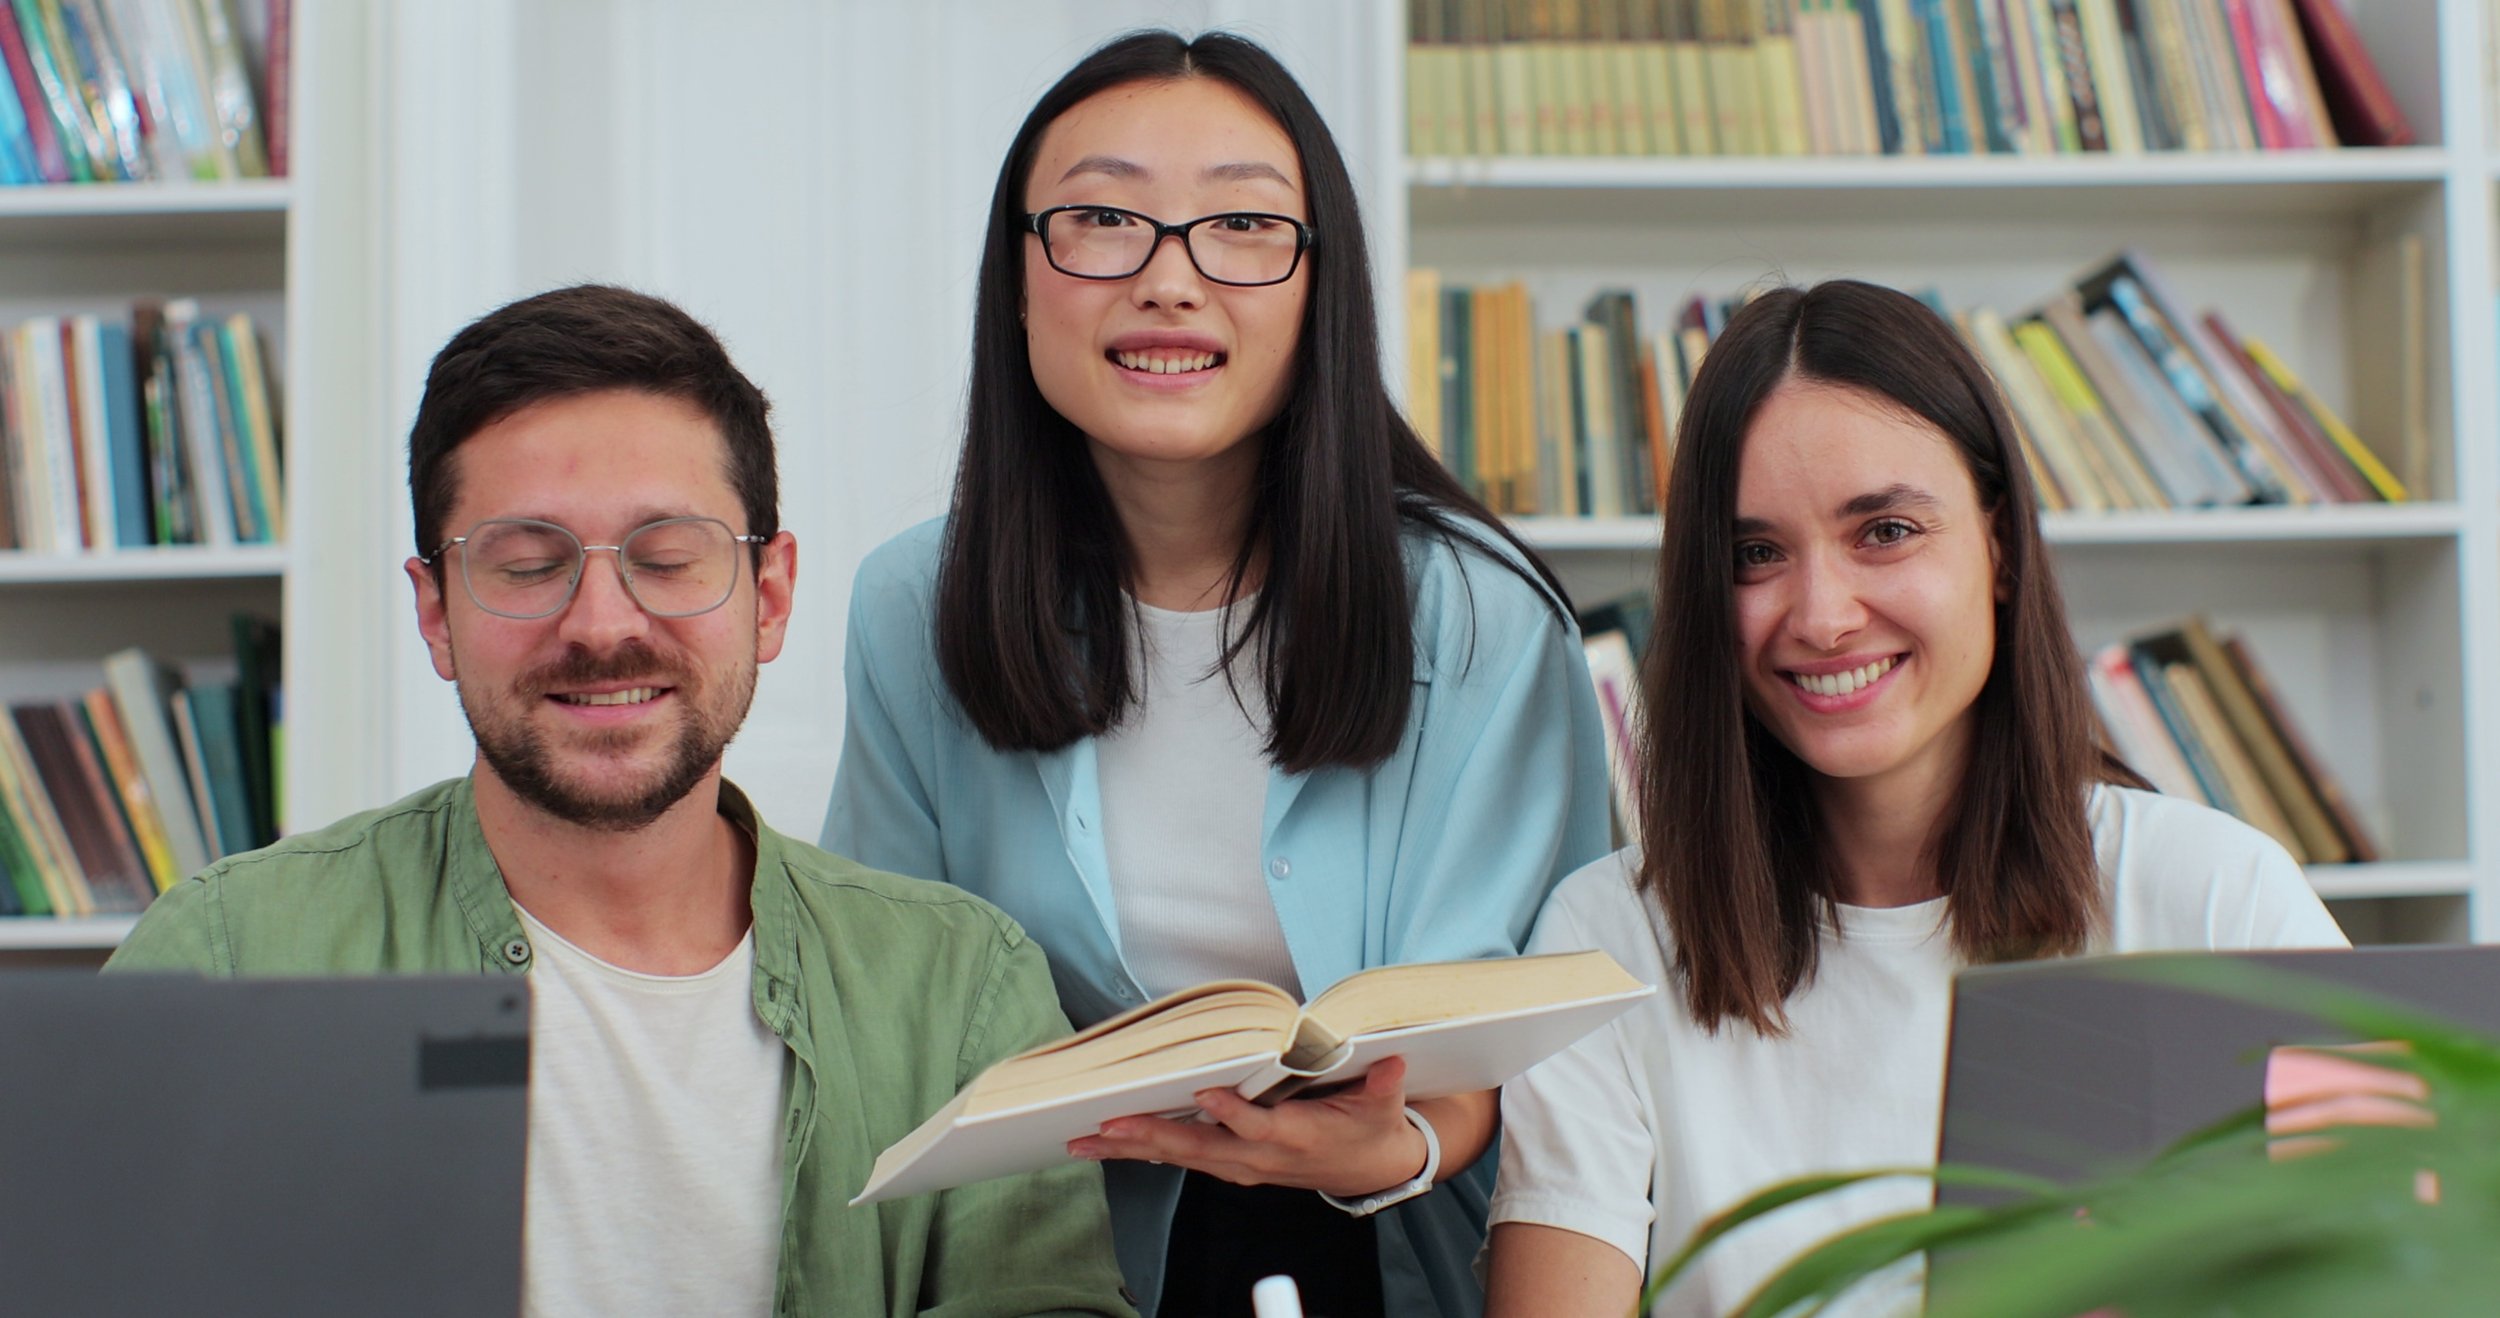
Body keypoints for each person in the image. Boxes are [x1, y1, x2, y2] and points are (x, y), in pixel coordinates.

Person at [105, 284, 1134, 1318]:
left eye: (667, 557)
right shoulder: (229, 958)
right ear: (435, 612)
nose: (601, 625)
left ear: (768, 596)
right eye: (526, 564)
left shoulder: (962, 992)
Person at [823, 29, 1612, 1318]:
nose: (1170, 281)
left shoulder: (1478, 615)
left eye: (1242, 224)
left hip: (1393, 1248)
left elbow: (1545, 1017)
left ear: (1321, 285)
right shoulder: (915, 604)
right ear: (1017, 281)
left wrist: (1400, 1140)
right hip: (1049, 1252)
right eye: (1100, 219)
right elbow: (888, 996)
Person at [1482, 280, 2350, 1317]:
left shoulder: (2216, 899)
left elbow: (2393, 1273)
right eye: (1755, 553)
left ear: (1996, 546)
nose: (1822, 614)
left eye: (1884, 530)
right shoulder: (1605, 941)